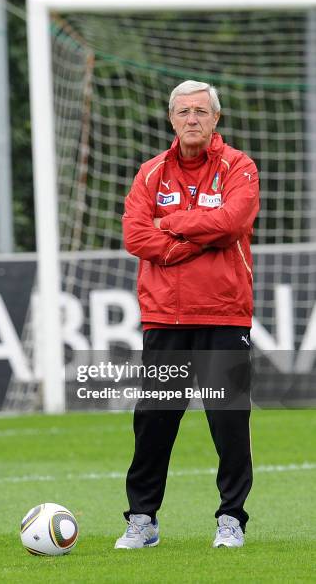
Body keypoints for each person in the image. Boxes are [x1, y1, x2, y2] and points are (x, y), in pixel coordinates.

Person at [115, 80, 260, 549]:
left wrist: (172, 226)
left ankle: (231, 519)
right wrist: (191, 243)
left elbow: (231, 223)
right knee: (154, 422)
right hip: (165, 317)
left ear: (216, 118)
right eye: (183, 111)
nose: (192, 118)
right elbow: (136, 236)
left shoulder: (239, 167)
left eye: (201, 110)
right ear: (171, 119)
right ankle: (142, 519)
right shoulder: (151, 173)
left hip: (224, 315)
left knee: (229, 422)